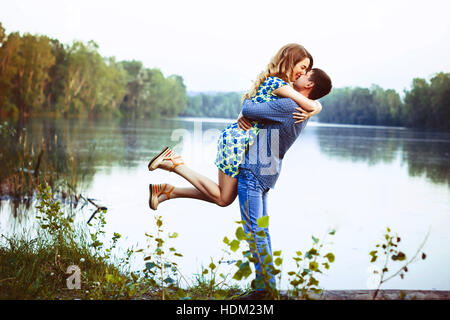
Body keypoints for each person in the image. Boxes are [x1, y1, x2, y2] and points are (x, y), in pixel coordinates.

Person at [148, 44, 321, 210]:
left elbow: (310, 104)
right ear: (291, 61)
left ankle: (168, 191)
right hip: (239, 141)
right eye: (303, 67)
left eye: (306, 70)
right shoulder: (279, 84)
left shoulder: (275, 82)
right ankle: (174, 163)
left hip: (238, 138)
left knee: (225, 197)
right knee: (223, 199)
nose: (303, 73)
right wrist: (312, 111)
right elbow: (311, 104)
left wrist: (314, 108)